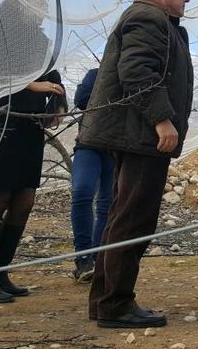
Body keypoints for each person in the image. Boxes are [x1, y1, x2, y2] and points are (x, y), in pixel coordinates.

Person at [81, 0, 193, 329]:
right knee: (133, 218)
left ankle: (105, 301)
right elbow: (138, 71)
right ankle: (116, 304)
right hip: (143, 135)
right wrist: (162, 119)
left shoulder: (152, 19)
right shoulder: (148, 18)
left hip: (136, 133)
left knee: (121, 216)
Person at [0, 0, 67, 303]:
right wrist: (33, 85)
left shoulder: (39, 40)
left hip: (28, 129)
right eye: (37, 6)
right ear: (19, 4)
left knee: (24, 200)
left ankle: (0, 272)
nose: (42, 13)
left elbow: (53, 76)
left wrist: (57, 105)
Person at [69, 67, 114, 283]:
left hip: (117, 146)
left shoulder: (136, 75)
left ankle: (98, 257)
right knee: (82, 191)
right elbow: (82, 99)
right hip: (89, 142)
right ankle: (84, 257)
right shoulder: (97, 73)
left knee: (107, 203)